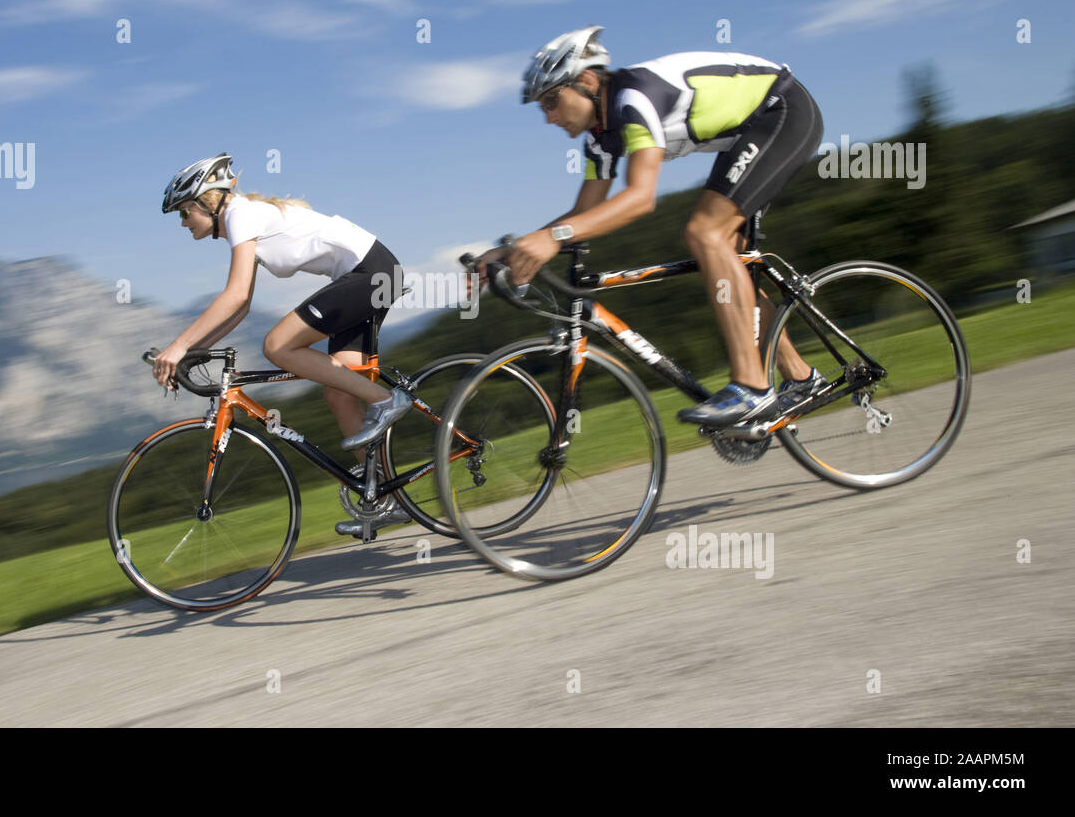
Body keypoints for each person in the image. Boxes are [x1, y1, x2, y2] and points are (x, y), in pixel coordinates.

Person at [473, 26, 826, 427]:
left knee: (704, 233)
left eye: (552, 100)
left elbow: (641, 198)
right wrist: (516, 247)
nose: (549, 116)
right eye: (542, 107)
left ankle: (752, 388)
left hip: (781, 110)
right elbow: (585, 210)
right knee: (727, 262)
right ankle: (800, 376)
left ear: (588, 81)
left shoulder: (632, 98)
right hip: (746, 134)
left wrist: (553, 238)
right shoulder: (600, 138)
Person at [152, 153, 413, 532]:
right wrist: (193, 351)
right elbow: (239, 310)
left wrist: (177, 347)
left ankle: (389, 401)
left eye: (183, 213)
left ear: (201, 204)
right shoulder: (245, 224)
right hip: (367, 276)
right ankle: (386, 501)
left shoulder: (241, 215)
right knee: (340, 393)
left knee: (278, 345)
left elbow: (235, 295)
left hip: (371, 273)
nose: (182, 222)